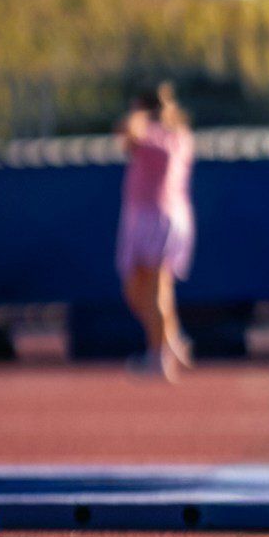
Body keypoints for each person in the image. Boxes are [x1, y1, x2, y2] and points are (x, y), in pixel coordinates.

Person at [116, 81, 195, 379]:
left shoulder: (160, 138)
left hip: (155, 218)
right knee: (140, 290)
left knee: (154, 289)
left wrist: (138, 113)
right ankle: (170, 339)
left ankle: (158, 356)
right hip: (156, 217)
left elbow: (125, 131)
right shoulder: (178, 137)